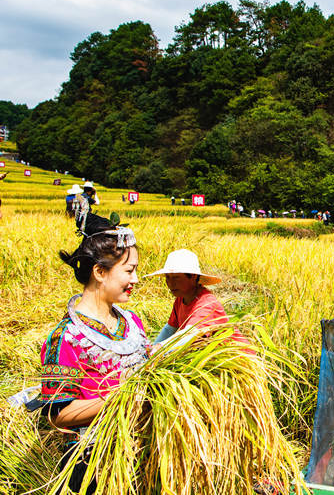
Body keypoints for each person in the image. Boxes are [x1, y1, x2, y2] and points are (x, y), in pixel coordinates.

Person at [39, 210, 148, 493]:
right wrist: (122, 396)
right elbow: (57, 415)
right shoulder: (66, 338)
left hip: (143, 450)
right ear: (100, 272)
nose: (136, 278)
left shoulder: (131, 321)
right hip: (94, 464)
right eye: (129, 270)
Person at [145, 249, 247, 346]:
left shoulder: (207, 303)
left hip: (237, 359)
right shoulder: (180, 300)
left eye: (176, 277)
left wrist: (159, 348)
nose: (171, 283)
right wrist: (151, 353)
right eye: (168, 277)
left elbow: (191, 333)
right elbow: (169, 329)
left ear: (193, 276)